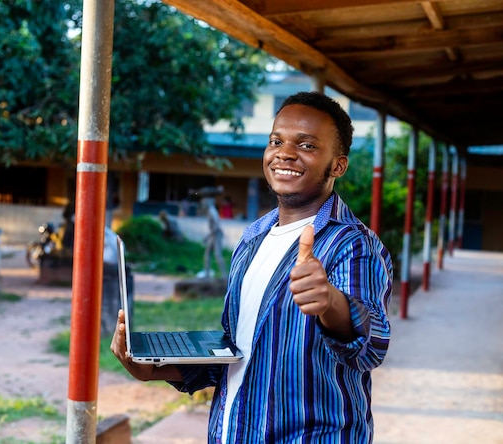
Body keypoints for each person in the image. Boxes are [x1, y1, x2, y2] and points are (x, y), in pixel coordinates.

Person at [111, 91, 393, 442]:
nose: (285, 153)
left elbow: (372, 345)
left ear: (337, 165)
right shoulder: (253, 237)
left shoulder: (352, 244)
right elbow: (238, 351)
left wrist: (331, 302)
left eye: (306, 145)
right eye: (276, 140)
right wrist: (154, 368)